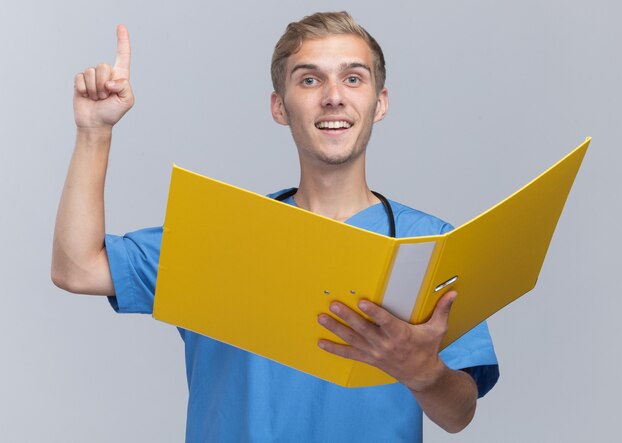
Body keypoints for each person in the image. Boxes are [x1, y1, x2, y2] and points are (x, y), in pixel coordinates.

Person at [52, 11, 499, 442]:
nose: (333, 96)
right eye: (309, 79)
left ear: (379, 103)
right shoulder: (221, 236)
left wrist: (424, 373)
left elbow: (459, 414)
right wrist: (94, 133)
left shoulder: (429, 244)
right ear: (279, 107)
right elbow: (78, 269)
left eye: (353, 78)